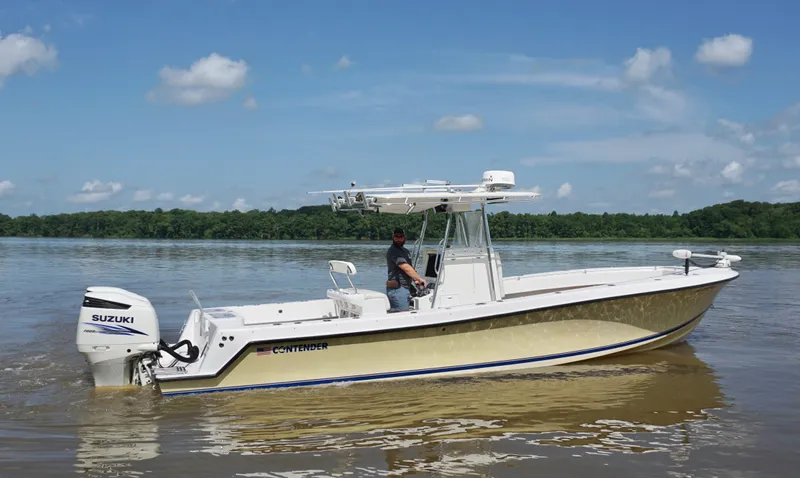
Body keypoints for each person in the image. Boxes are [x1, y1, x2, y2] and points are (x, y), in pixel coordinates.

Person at [385, 227, 426, 312]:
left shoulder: (405, 251)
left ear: (404, 238)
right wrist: (420, 278)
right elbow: (405, 268)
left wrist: (416, 280)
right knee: (401, 314)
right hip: (397, 290)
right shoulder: (393, 251)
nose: (398, 239)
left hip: (406, 287)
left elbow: (410, 268)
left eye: (401, 237)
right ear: (393, 238)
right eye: (396, 237)